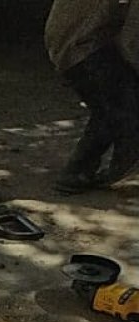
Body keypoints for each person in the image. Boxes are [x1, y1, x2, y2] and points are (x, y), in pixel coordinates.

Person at [45, 0, 139, 192]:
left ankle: (80, 171)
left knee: (108, 110)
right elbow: (131, 38)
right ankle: (82, 171)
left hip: (72, 44)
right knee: (117, 110)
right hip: (83, 47)